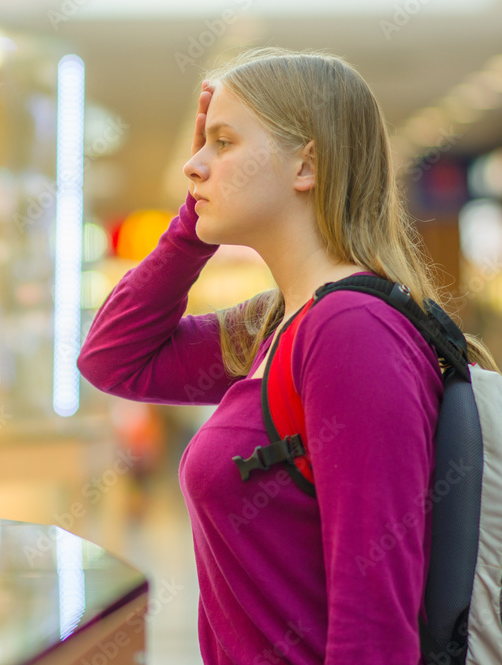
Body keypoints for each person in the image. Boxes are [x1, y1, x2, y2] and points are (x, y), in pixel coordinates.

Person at [77, 46, 499, 665]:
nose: (193, 166)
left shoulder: (352, 331)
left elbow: (373, 626)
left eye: (222, 142)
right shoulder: (280, 323)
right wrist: (188, 229)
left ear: (306, 164)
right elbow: (115, 358)